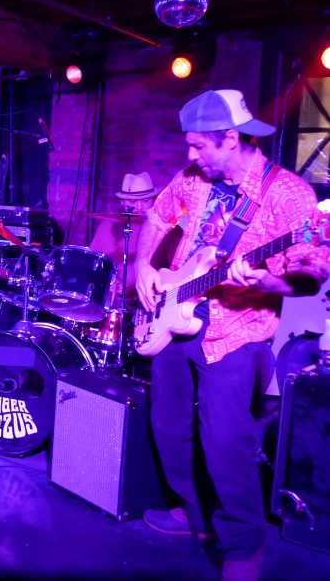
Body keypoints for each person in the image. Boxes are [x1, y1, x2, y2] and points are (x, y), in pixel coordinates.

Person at [134, 89, 329, 580]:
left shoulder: (288, 194)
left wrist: (267, 282)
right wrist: (143, 267)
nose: (190, 154)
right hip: (176, 313)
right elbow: (157, 217)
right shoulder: (194, 177)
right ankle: (195, 515)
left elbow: (311, 273)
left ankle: (244, 545)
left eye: (199, 145)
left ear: (230, 138)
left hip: (238, 332)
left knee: (225, 442)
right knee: (168, 427)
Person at [88, 171, 157, 306]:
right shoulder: (108, 226)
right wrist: (109, 281)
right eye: (132, 201)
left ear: (154, 200)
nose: (139, 207)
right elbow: (93, 263)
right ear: (122, 202)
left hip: (151, 300)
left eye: (145, 201)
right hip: (114, 301)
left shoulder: (160, 229)